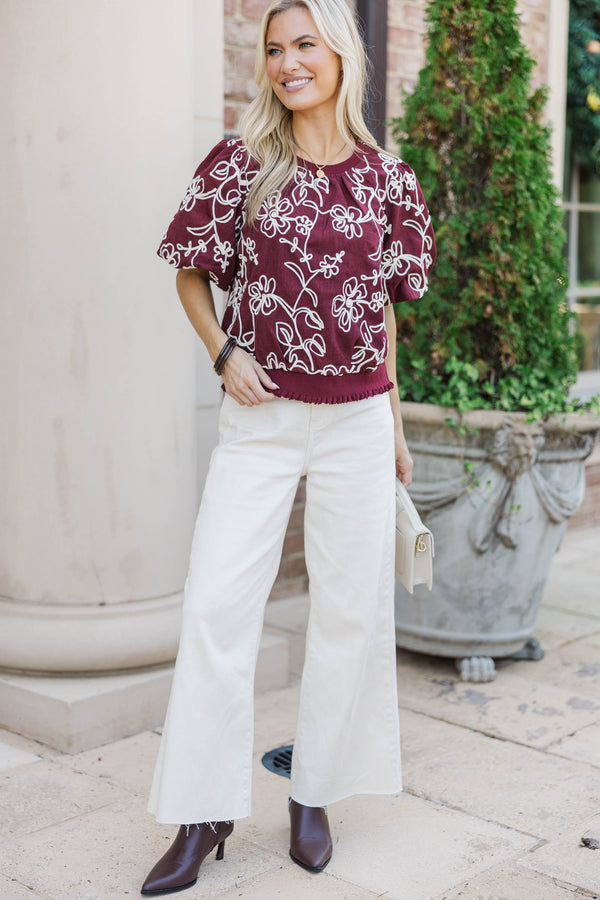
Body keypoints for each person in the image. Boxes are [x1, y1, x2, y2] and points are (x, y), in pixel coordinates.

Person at [141, 0, 436, 894]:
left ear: (341, 54)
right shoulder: (244, 163)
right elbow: (190, 266)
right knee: (216, 607)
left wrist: (391, 427)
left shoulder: (390, 182)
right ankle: (204, 810)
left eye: (304, 44)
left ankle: (314, 794)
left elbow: (384, 311)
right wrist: (223, 351)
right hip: (261, 421)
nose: (286, 62)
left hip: (355, 419)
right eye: (275, 49)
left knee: (348, 612)